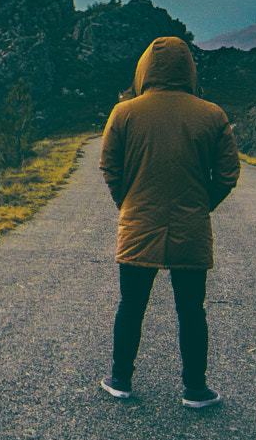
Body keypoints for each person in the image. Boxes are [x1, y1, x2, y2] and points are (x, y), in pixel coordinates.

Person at [98, 35, 240, 408]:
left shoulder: (124, 113)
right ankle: (195, 388)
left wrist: (127, 202)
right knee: (192, 309)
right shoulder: (212, 114)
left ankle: (121, 379)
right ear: (189, 69)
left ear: (145, 68)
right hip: (191, 225)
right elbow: (228, 174)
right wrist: (201, 204)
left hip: (137, 224)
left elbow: (109, 167)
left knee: (131, 305)